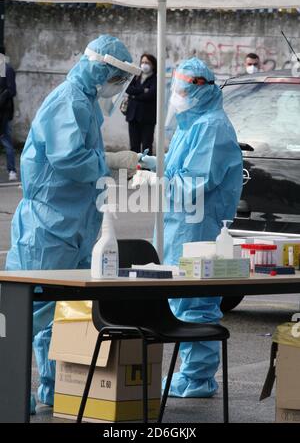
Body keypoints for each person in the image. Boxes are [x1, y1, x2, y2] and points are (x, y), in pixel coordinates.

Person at [5, 34, 141, 412]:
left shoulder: (85, 101)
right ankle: (11, 392)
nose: (117, 84)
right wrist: (112, 162)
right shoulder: (68, 100)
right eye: (116, 75)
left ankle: (52, 388)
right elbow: (67, 159)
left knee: (62, 312)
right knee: (31, 312)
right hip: (48, 226)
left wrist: (116, 162)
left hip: (73, 223)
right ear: (101, 69)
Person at [140, 58, 243, 397]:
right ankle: (191, 374)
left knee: (195, 301)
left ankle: (198, 378)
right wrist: (148, 163)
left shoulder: (212, 126)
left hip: (198, 226)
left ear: (201, 89)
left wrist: (160, 178)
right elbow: (177, 167)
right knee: (182, 300)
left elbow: (194, 183)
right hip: (181, 224)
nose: (178, 97)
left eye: (184, 90)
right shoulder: (193, 124)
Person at [126, 53, 157, 155]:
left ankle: (146, 169)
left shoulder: (156, 79)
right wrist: (143, 90)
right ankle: (134, 168)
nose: (144, 64)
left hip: (147, 118)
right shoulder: (135, 76)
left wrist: (134, 96)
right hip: (133, 116)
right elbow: (128, 89)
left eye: (147, 62)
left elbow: (151, 95)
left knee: (146, 146)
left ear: (153, 64)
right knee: (134, 146)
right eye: (142, 62)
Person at [0, 47, 17, 181]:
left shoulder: (7, 69)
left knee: (5, 139)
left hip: (4, 112)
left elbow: (11, 90)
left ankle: (12, 170)